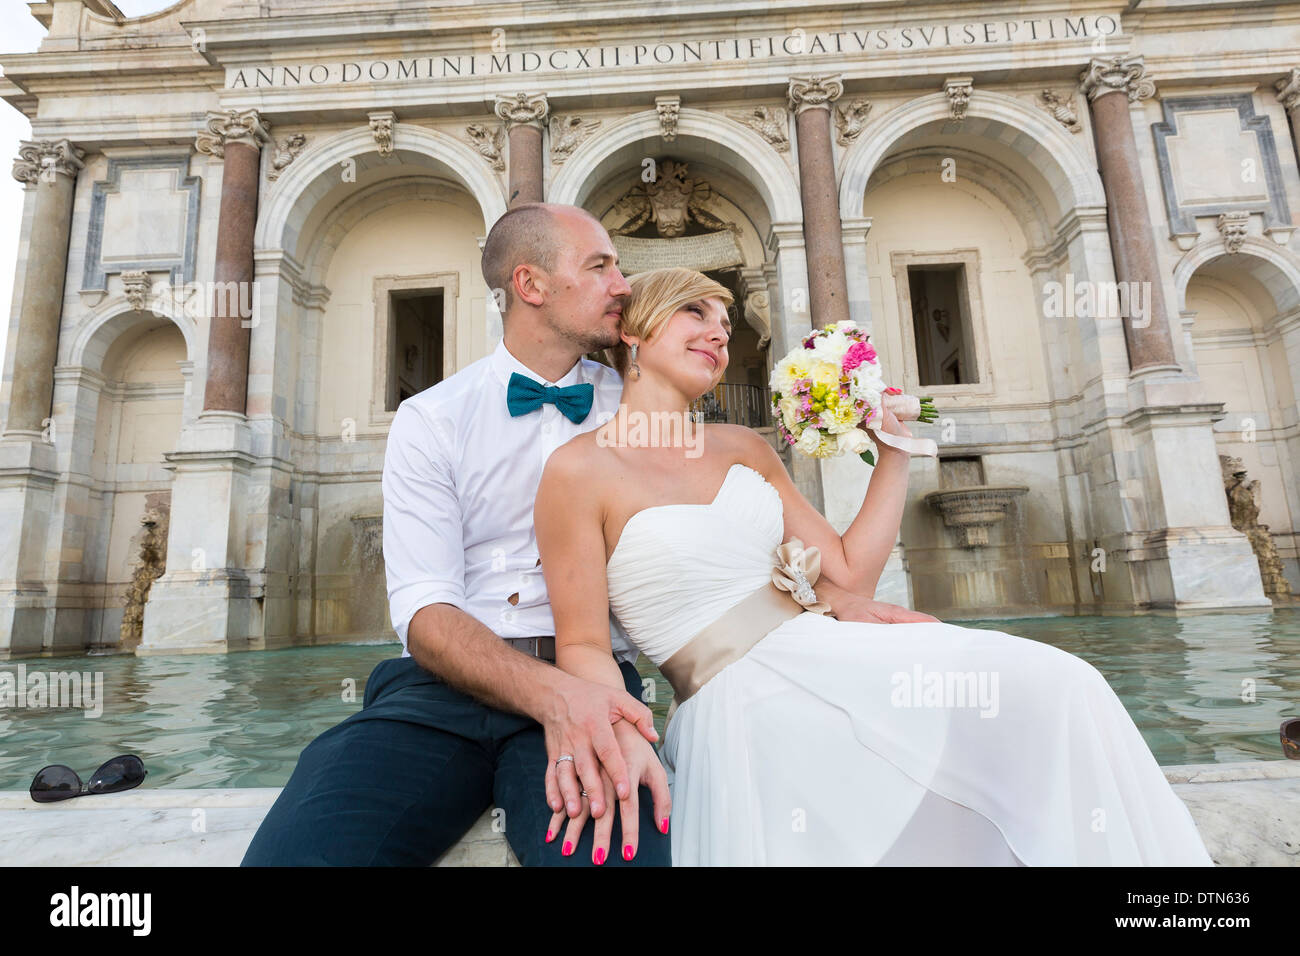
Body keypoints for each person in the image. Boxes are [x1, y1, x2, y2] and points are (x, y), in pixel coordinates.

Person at [241, 204, 926, 866]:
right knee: (302, 853)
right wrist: (559, 699)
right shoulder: (433, 419)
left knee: (621, 857)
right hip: (438, 693)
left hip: (598, 681)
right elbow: (425, 612)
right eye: (600, 267)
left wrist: (830, 600)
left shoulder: (652, 409)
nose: (623, 287)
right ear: (530, 285)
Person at [533, 266, 1217, 866]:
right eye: (696, 313)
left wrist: (894, 452)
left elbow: (847, 573)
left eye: (725, 322)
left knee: (1061, 682)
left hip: (825, 647)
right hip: (729, 699)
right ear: (634, 333)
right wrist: (618, 731)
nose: (719, 333)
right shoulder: (577, 471)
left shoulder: (745, 447)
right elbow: (586, 644)